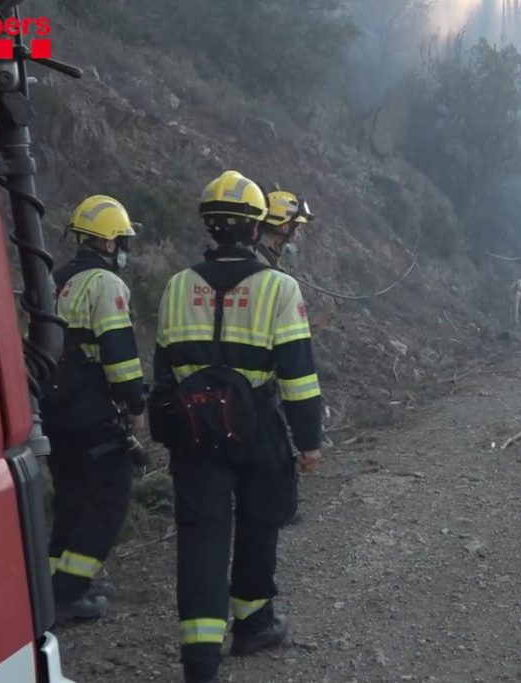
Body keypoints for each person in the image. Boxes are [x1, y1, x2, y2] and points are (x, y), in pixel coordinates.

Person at [151, 170, 325, 683]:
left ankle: (200, 662)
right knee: (259, 525)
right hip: (258, 430)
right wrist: (309, 440)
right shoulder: (278, 288)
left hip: (194, 433)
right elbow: (297, 372)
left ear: (209, 226)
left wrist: (172, 431)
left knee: (201, 539)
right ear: (257, 228)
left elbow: (163, 371)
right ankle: (253, 624)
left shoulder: (178, 285)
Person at [41, 195, 145, 622]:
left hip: (53, 411)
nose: (124, 250)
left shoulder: (52, 279)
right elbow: (119, 355)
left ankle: (52, 584)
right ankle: (69, 591)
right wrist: (136, 400)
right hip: (93, 413)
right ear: (107, 243)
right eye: (122, 241)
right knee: (107, 500)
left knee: (70, 498)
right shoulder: (106, 285)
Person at [255, 188, 316, 528]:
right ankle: (276, 510)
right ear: (281, 227)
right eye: (296, 226)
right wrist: (309, 437)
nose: (299, 233)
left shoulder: (266, 263)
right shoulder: (262, 271)